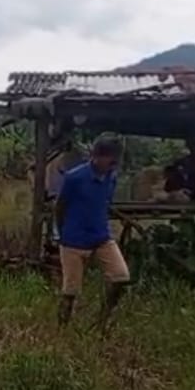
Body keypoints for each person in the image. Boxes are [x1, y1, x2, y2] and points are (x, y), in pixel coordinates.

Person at [54, 137, 130, 329]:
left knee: (121, 277)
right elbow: (60, 207)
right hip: (73, 240)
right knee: (71, 291)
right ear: (95, 157)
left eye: (115, 159)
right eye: (109, 159)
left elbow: (104, 203)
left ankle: (103, 320)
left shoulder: (111, 177)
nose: (113, 163)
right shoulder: (75, 178)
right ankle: (62, 330)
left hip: (101, 237)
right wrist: (62, 233)